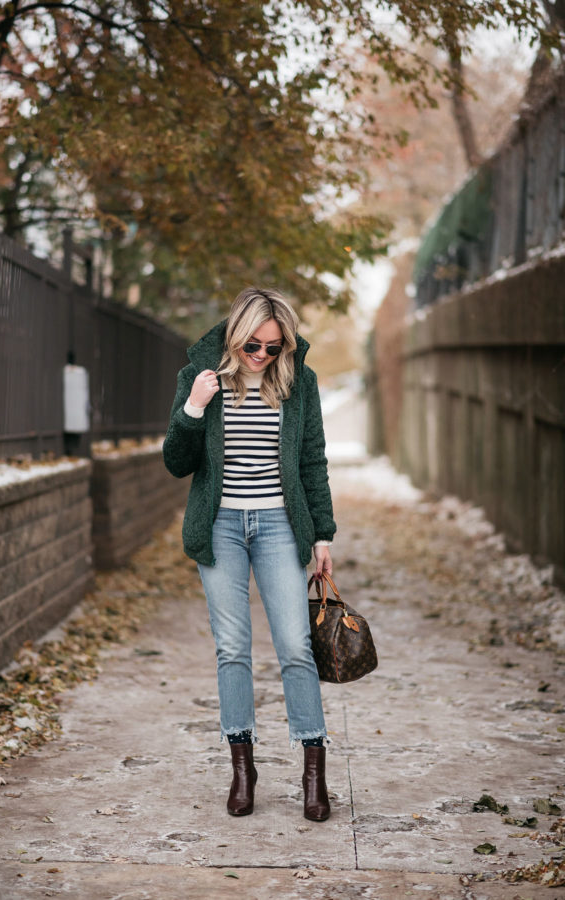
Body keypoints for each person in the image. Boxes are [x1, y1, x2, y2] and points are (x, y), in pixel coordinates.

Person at [162, 287, 336, 821]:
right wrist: (195, 407)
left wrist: (323, 534)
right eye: (252, 346)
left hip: (281, 526)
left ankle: (313, 771)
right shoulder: (202, 377)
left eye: (273, 348)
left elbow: (312, 462)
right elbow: (175, 461)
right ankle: (243, 768)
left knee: (295, 647)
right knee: (233, 648)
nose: (261, 356)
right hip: (221, 529)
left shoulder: (298, 383)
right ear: (235, 336)